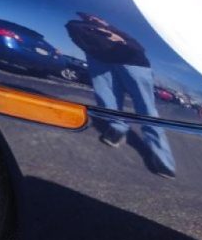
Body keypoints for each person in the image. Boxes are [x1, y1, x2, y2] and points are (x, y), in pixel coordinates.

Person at [66, 13, 175, 177]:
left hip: (133, 64)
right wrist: (100, 35)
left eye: (97, 18)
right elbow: (74, 30)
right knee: (106, 99)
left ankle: (162, 158)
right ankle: (117, 129)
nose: (94, 20)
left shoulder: (118, 31)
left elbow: (137, 48)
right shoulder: (80, 27)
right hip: (102, 62)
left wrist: (112, 33)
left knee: (145, 107)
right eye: (89, 18)